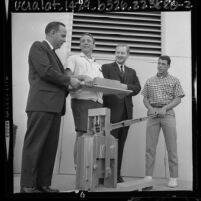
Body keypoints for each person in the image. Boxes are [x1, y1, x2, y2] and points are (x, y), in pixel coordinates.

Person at [20, 21, 81, 193]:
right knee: (35, 146)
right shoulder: (38, 47)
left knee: (49, 148)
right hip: (41, 104)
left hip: (54, 106)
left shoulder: (53, 54)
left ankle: (43, 184)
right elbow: (45, 71)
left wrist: (71, 84)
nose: (64, 40)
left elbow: (56, 78)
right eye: (62, 35)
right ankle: (28, 185)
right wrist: (69, 80)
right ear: (52, 33)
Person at [141, 55, 185, 188]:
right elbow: (145, 98)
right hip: (153, 115)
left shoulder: (174, 80)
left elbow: (178, 98)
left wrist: (165, 108)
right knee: (150, 147)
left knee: (172, 147)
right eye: (159, 63)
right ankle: (148, 176)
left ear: (168, 66)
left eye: (163, 64)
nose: (160, 66)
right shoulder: (150, 81)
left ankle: (173, 177)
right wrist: (150, 108)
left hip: (168, 114)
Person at [101, 44, 141, 183]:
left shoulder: (132, 71)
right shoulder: (106, 68)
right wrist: (119, 87)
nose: (119, 55)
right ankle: (105, 176)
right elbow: (104, 84)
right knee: (108, 145)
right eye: (117, 52)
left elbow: (137, 88)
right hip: (111, 112)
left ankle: (116, 174)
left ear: (127, 55)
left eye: (122, 53)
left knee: (120, 145)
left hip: (126, 113)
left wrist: (125, 87)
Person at [65, 33, 103, 169]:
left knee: (93, 135)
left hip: (97, 102)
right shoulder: (73, 58)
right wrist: (82, 77)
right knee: (82, 134)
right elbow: (66, 78)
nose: (86, 42)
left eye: (89, 41)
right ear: (80, 44)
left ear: (94, 45)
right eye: (83, 41)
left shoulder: (98, 65)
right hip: (82, 100)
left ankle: (89, 168)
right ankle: (79, 169)